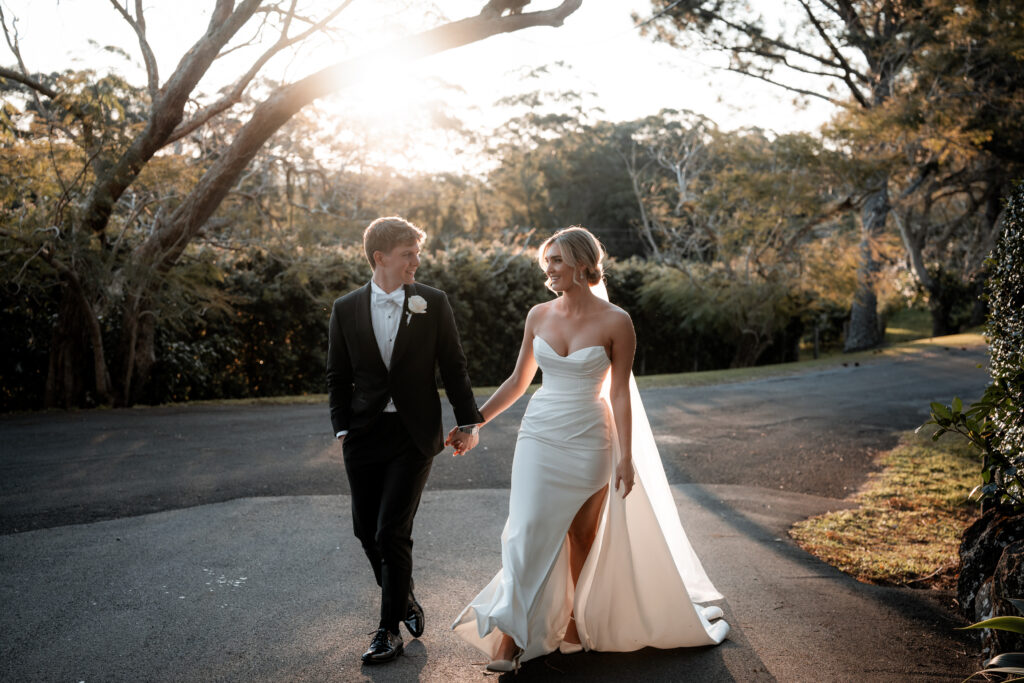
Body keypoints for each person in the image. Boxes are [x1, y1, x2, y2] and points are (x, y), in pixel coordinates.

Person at [450, 226, 729, 671]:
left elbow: (619, 393)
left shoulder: (617, 321)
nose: (549, 269)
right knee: (524, 531)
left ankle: (578, 623)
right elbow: (518, 381)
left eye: (556, 260)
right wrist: (473, 422)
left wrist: (626, 457)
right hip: (539, 434)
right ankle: (508, 637)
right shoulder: (538, 315)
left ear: (582, 263)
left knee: (582, 537)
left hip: (589, 438)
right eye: (547, 262)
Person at [327, 216, 483, 665]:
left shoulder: (433, 302)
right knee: (365, 531)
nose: (416, 262)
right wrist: (342, 426)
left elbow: (454, 366)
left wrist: (468, 422)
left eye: (417, 253)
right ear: (380, 258)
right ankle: (406, 599)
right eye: (408, 254)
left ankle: (387, 631)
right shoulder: (346, 307)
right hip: (363, 433)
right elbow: (338, 374)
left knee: (391, 530)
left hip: (414, 434)